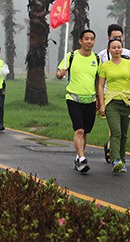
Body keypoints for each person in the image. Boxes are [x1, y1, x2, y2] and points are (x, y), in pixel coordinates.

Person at [97, 37, 130, 174]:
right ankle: (115, 160)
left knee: (124, 134)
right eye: (113, 47)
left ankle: (122, 160)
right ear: (109, 50)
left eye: (119, 47)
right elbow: (101, 86)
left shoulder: (128, 63)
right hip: (111, 102)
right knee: (116, 132)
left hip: (126, 101)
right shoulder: (105, 66)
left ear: (122, 48)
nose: (116, 50)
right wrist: (101, 104)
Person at [56, 29, 102, 174]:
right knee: (79, 130)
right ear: (80, 41)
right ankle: (82, 159)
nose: (89, 41)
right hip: (73, 99)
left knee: (85, 132)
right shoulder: (71, 56)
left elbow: (98, 82)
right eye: (86, 39)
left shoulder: (96, 59)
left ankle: (78, 158)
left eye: (92, 39)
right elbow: (58, 73)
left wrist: (101, 101)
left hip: (90, 100)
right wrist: (61, 73)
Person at [98, 23, 130, 164]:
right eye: (114, 37)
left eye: (120, 37)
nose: (117, 40)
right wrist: (99, 100)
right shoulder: (102, 56)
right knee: (115, 129)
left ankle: (112, 149)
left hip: (125, 97)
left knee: (121, 131)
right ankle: (115, 156)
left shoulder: (128, 55)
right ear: (109, 38)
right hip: (108, 97)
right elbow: (99, 81)